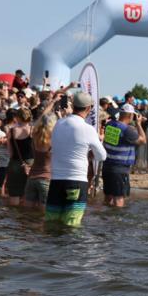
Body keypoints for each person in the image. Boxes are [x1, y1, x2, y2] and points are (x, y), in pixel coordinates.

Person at [46, 92, 106, 226]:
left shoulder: (58, 124)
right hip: (76, 181)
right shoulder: (88, 129)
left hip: (56, 181)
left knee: (51, 223)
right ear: (89, 108)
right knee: (71, 226)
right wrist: (94, 146)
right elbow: (102, 156)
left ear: (73, 106)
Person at [102, 103, 146, 207]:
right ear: (130, 115)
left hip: (107, 167)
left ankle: (106, 219)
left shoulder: (110, 125)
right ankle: (117, 221)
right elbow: (143, 140)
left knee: (108, 197)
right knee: (119, 198)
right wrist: (139, 124)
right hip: (120, 170)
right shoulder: (127, 130)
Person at [24, 114, 55, 209]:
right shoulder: (53, 141)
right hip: (46, 178)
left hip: (32, 178)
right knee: (42, 216)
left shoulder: (34, 138)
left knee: (28, 213)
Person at [4, 106, 34, 206]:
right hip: (30, 164)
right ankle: (24, 219)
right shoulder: (32, 130)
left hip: (15, 163)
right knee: (29, 194)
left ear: (17, 117)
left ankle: (13, 218)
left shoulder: (11, 131)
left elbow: (11, 153)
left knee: (14, 194)